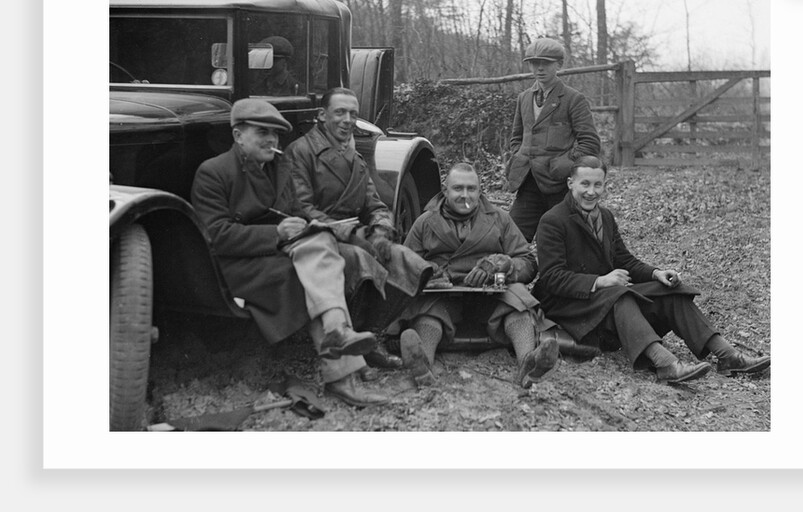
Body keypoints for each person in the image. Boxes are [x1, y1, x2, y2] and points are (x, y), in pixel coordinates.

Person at [190, 98, 389, 407]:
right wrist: (277, 233)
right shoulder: (213, 172)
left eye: (275, 134)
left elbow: (296, 210)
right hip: (236, 265)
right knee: (307, 274)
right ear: (237, 135)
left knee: (322, 243)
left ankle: (338, 331)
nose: (271, 140)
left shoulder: (280, 166)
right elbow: (215, 236)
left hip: (279, 251)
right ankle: (342, 373)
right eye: (262, 132)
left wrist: (307, 225)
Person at [533, 155, 771, 383]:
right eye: (584, 184)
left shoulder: (604, 217)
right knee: (621, 295)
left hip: (604, 302)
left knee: (668, 290)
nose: (591, 191)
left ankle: (728, 356)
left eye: (598, 185)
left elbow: (624, 260)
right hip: (569, 307)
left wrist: (655, 273)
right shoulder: (552, 220)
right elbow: (553, 278)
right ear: (570, 183)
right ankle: (665, 363)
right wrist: (600, 281)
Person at [284, 87, 435, 367]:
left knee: (407, 261)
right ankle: (350, 347)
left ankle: (371, 336)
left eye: (353, 114)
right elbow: (301, 208)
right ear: (321, 115)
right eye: (339, 112)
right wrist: (350, 233)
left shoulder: (355, 158)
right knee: (360, 259)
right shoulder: (301, 152)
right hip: (317, 236)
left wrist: (379, 229)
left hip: (355, 235)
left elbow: (375, 204)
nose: (347, 120)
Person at [385, 162, 560, 389]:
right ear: (445, 190)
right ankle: (422, 366)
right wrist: (427, 271)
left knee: (518, 300)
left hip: (491, 296)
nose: (465, 195)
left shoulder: (499, 219)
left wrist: (503, 265)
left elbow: (528, 263)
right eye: (458, 189)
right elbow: (404, 265)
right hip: (443, 298)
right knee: (427, 311)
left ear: (480, 191)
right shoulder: (425, 222)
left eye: (471, 189)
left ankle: (529, 362)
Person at [505, 37, 601, 242]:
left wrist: (564, 165)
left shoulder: (573, 99)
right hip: (527, 181)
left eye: (546, 63)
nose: (539, 68)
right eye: (534, 63)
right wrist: (519, 156)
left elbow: (590, 143)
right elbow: (516, 137)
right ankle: (516, 273)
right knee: (511, 241)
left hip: (558, 185)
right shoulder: (524, 98)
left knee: (560, 241)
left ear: (559, 65)